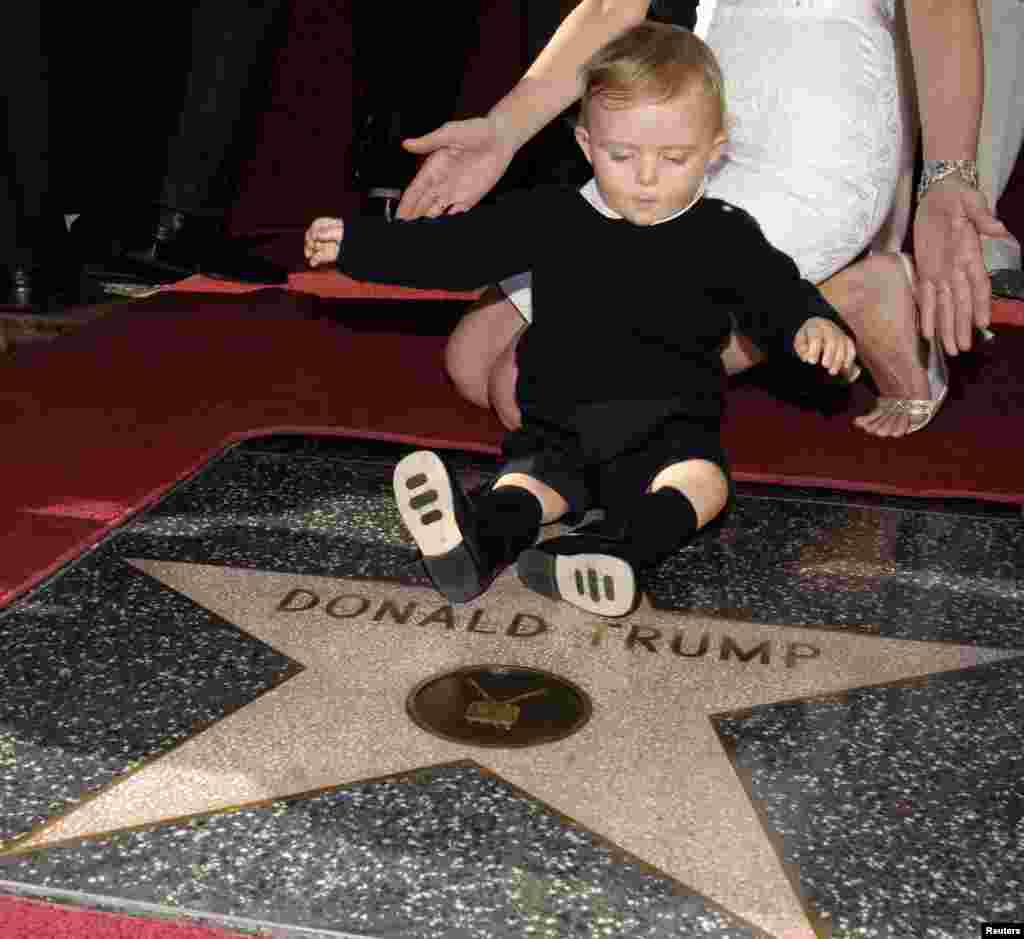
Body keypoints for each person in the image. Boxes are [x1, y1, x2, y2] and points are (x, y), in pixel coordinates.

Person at [305, 24, 856, 615]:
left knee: (701, 481)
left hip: (667, 431)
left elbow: (775, 291)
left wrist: (809, 324)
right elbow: (457, 249)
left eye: (674, 158)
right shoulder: (551, 214)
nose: (647, 178)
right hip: (557, 428)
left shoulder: (725, 232)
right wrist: (361, 245)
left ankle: (613, 548)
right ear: (587, 144)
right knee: (529, 483)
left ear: (715, 149)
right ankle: (475, 540)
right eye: (622, 155)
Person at [390, 0, 1012, 439]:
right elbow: (612, 6)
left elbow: (941, 6)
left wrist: (948, 175)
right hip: (700, 109)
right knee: (474, 362)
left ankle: (837, 292)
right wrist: (502, 131)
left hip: (823, 121)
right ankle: (846, 292)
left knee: (531, 393)